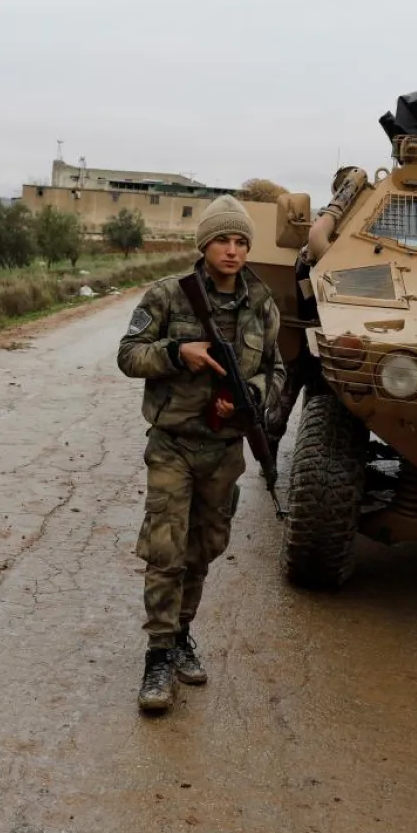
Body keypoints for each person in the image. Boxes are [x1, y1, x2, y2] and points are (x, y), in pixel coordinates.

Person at [118, 195, 286, 713]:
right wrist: (177, 353)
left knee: (205, 546)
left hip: (224, 449)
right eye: (222, 240)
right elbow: (128, 356)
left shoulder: (262, 304)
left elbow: (278, 372)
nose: (232, 251)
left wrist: (253, 394)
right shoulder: (169, 295)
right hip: (172, 445)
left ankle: (182, 632)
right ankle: (158, 656)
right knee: (165, 548)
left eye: (240, 241)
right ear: (204, 244)